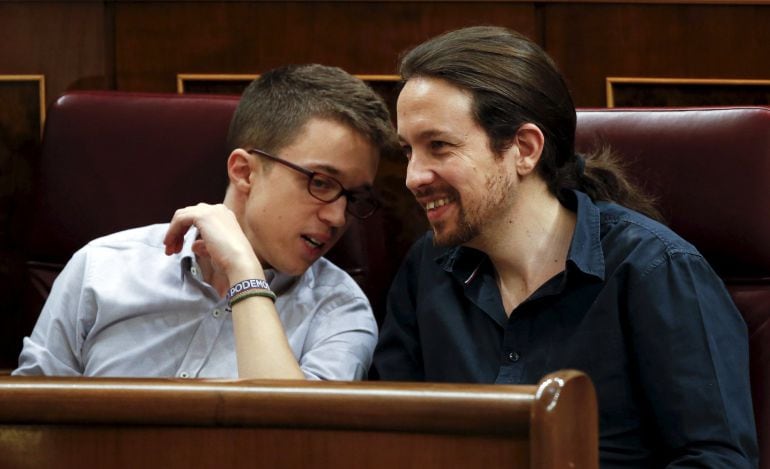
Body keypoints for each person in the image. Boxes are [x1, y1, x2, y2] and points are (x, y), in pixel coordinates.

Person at [373, 26, 758, 467]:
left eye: (438, 146)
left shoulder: (655, 270)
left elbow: (715, 459)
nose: (412, 177)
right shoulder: (427, 267)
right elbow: (390, 440)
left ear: (524, 148)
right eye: (408, 150)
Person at [14, 64, 398, 380]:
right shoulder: (101, 267)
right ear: (244, 172)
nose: (337, 217)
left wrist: (244, 274)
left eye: (353, 197)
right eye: (320, 183)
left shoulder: (340, 311)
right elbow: (32, 422)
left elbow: (294, 440)